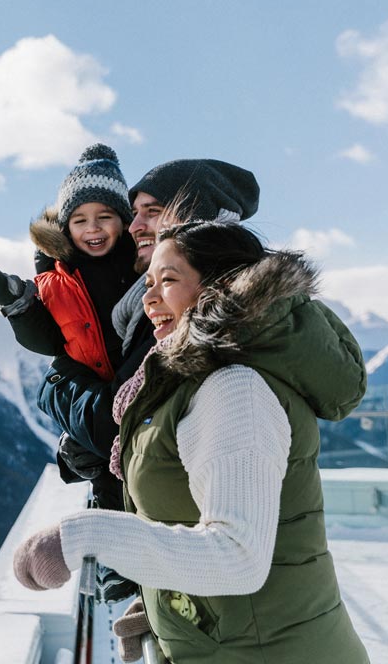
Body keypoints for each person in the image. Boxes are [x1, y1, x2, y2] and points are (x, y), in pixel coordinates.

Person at [12, 221, 369, 664]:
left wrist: (83, 538)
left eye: (169, 280)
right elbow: (189, 512)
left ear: (219, 290)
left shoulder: (234, 389)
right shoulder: (189, 380)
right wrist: (168, 606)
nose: (149, 298)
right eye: (148, 283)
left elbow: (237, 556)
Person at [37, 159, 260, 497]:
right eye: (134, 212)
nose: (133, 225)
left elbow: (115, 422)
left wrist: (55, 380)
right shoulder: (149, 299)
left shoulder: (185, 310)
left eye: (151, 212)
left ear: (193, 220)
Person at [0, 143, 138, 381]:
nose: (93, 228)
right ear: (66, 229)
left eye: (104, 217)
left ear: (123, 221)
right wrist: (18, 304)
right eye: (79, 221)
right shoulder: (56, 279)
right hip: (101, 389)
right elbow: (51, 342)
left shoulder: (141, 263)